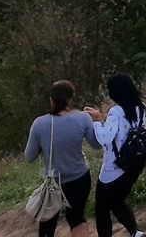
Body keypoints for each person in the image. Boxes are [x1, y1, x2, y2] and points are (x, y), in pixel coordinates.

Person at [24, 80, 99, 237]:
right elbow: (96, 145)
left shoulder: (39, 124)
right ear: (71, 98)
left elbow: (29, 157)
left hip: (54, 181)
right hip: (80, 178)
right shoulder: (83, 119)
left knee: (48, 222)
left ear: (51, 100)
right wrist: (98, 120)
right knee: (77, 218)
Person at [84, 73, 146, 237]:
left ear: (115, 92)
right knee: (117, 201)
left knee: (102, 208)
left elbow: (105, 138)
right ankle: (135, 233)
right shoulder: (142, 108)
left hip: (114, 166)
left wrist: (98, 120)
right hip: (136, 163)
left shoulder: (116, 111)